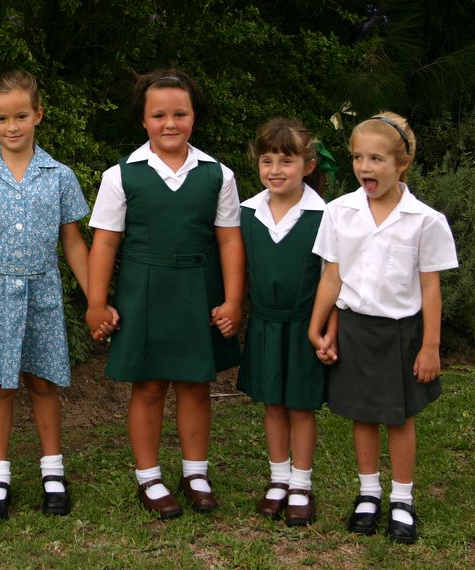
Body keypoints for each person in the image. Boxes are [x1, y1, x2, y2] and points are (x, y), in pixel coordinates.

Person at [0, 69, 114, 522]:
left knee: (43, 382)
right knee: (0, 385)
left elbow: (72, 242)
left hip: (43, 290)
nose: (12, 126)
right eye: (2, 118)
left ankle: (52, 472)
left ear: (38, 115)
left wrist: (95, 299)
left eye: (21, 116)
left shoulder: (59, 175)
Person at [86, 69, 244, 519]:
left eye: (180, 113)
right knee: (150, 386)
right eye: (159, 115)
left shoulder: (217, 174)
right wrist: (97, 303)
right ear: (143, 120)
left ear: (194, 117)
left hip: (197, 289)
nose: (170, 123)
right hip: (143, 292)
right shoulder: (121, 175)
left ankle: (195, 473)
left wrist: (233, 300)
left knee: (196, 385)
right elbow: (105, 242)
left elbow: (230, 240)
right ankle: (149, 477)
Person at [308, 112, 458, 544]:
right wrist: (317, 329)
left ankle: (403, 500)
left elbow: (430, 288)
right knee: (362, 413)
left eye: (376, 158)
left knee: (398, 417)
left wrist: (431, 346)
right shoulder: (340, 212)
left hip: (402, 333)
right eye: (358, 157)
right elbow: (332, 277)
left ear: (402, 163)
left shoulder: (424, 220)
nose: (365, 167)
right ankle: (368, 494)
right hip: (354, 327)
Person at [237, 118, 331, 526]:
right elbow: (238, 271)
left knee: (301, 406)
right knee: (273, 404)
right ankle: (278, 479)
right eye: (267, 160)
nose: (275, 170)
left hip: (304, 325)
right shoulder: (246, 213)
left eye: (286, 161)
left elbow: (335, 278)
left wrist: (329, 330)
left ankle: (301, 485)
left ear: (308, 165)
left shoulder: (325, 215)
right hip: (264, 323)